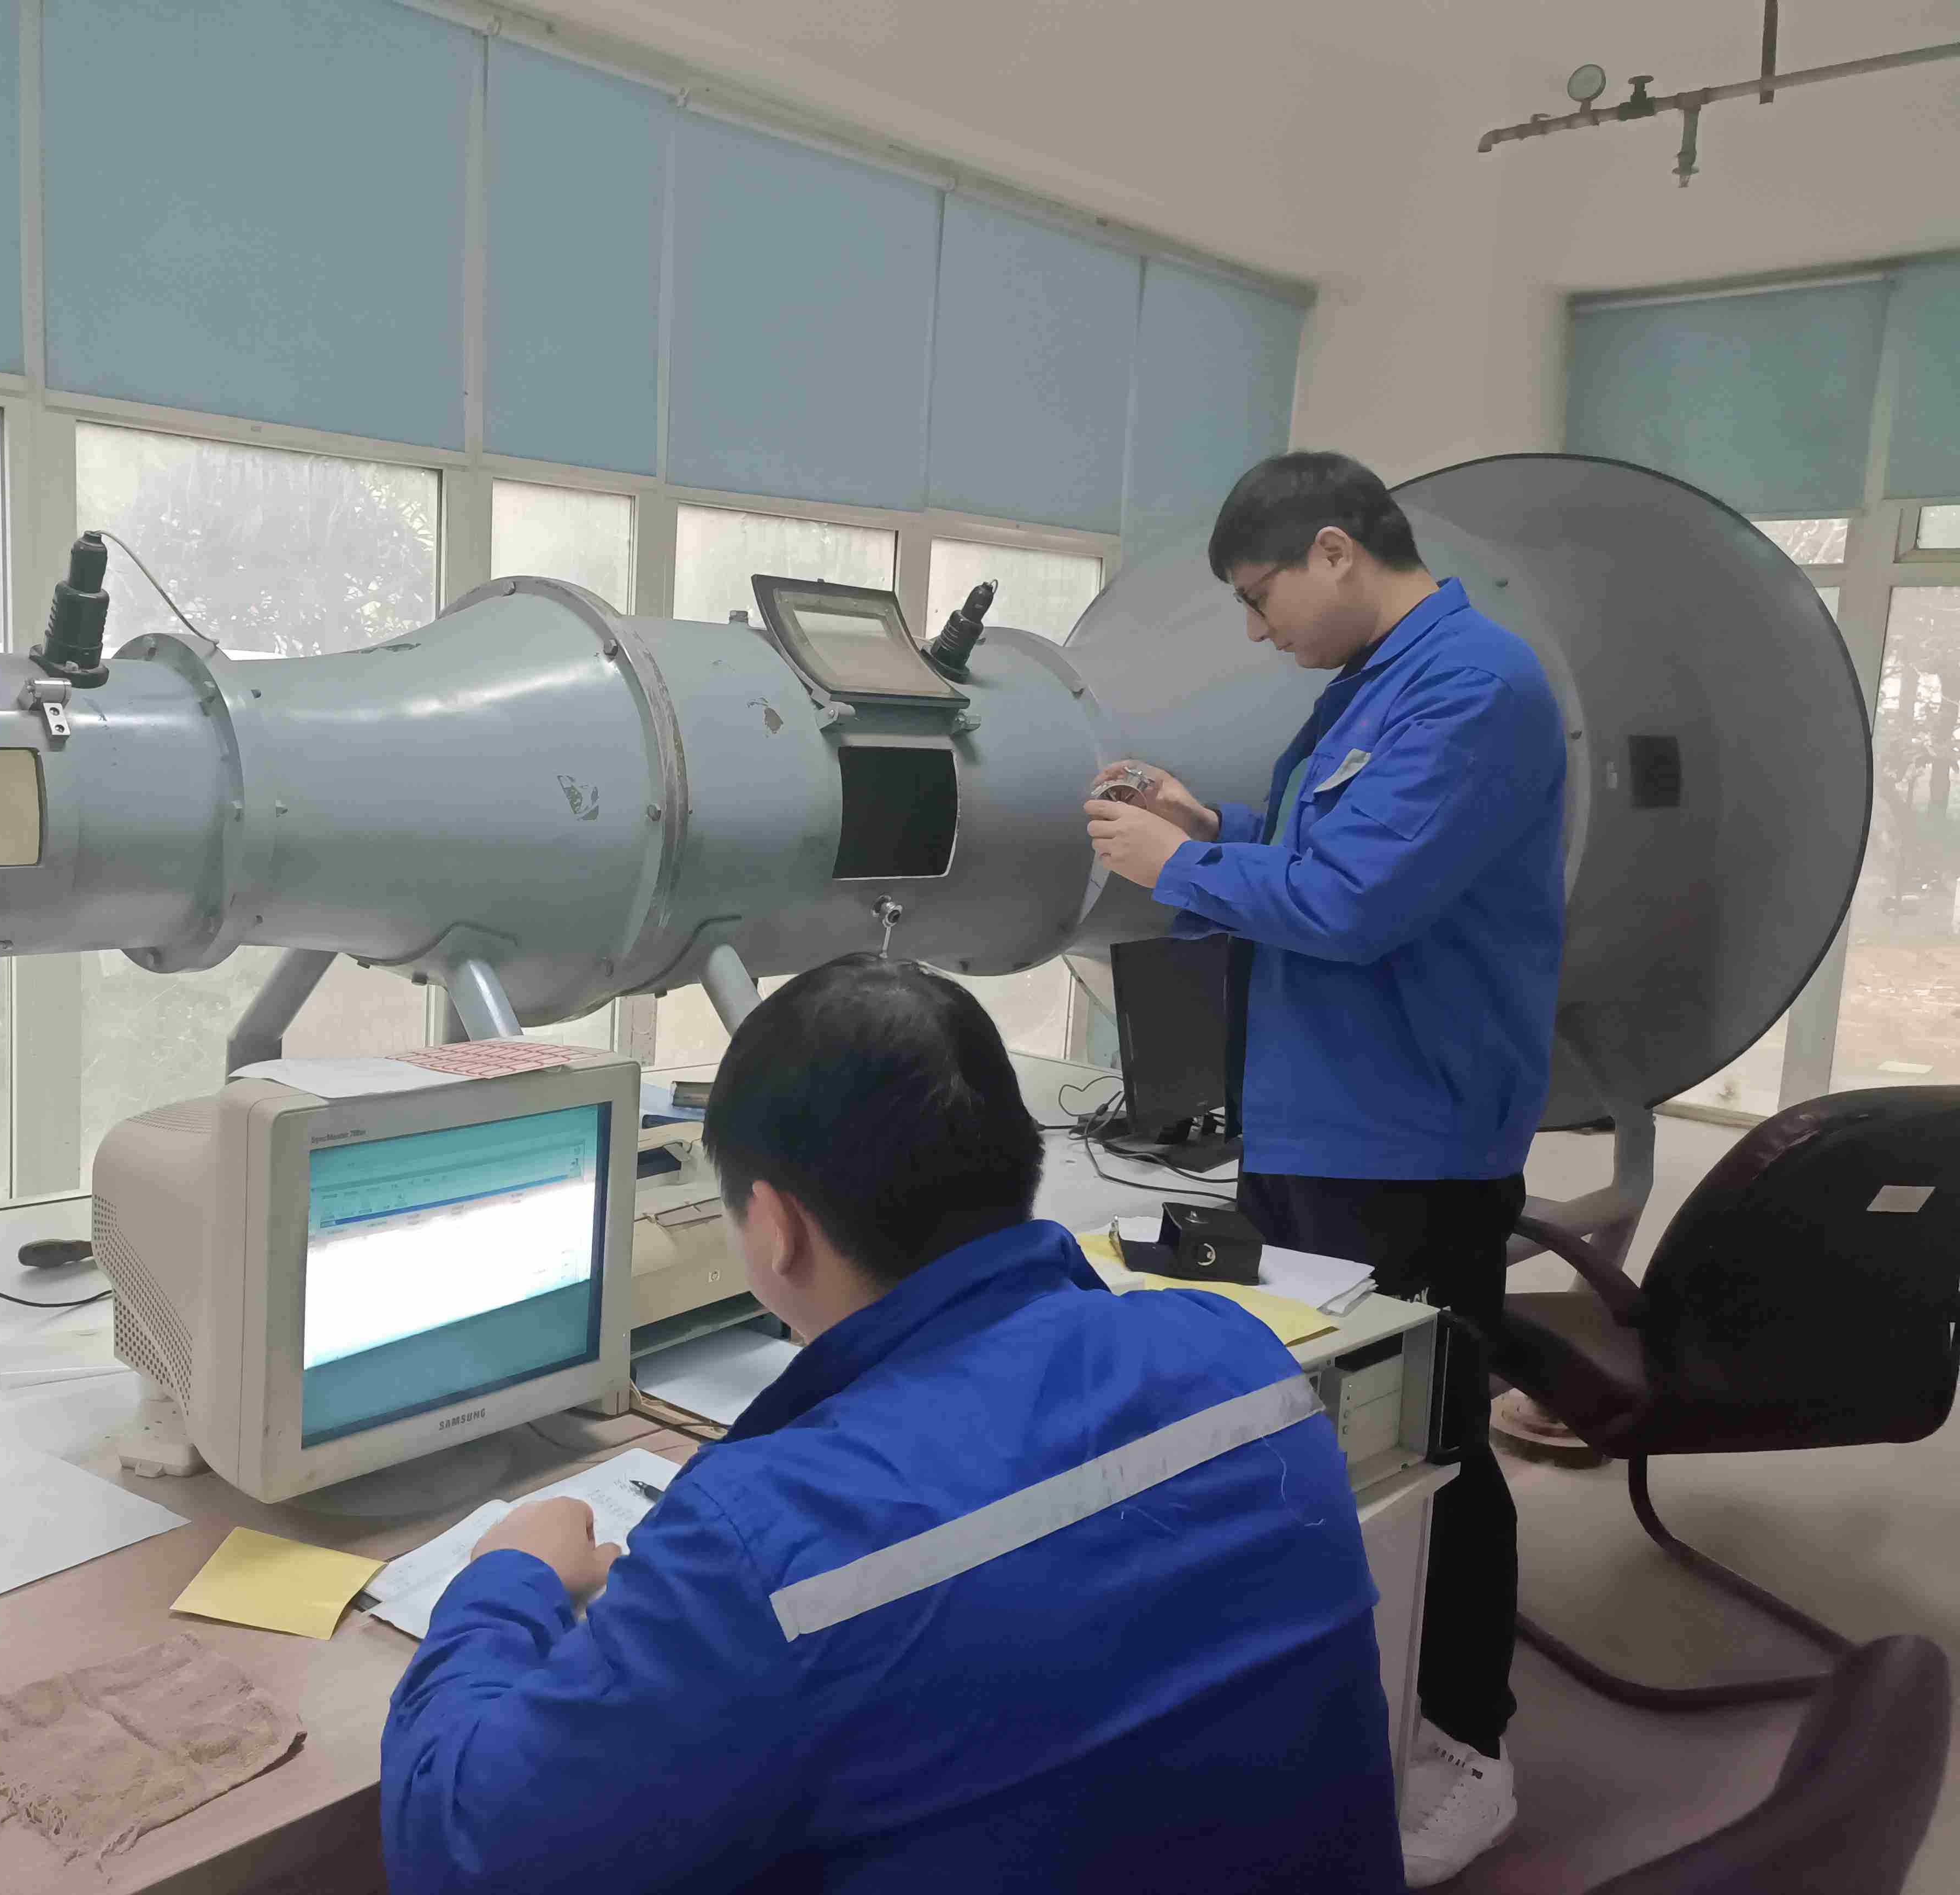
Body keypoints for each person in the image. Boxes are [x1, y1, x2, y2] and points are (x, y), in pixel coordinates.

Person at [383, 953, 1400, 1894]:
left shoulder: (765, 1542)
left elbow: (463, 1848)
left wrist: (508, 1577)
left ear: (775, 1227)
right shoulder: (1236, 1356)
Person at [1082, 450, 1565, 1887]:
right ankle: (1334, 1697)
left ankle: (1466, 1744)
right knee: (1317, 1435)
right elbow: (1325, 852)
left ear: (1338, 553)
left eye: (1260, 596)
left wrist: (1173, 869)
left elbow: (1354, 902)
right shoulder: (1371, 687)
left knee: (1435, 1447)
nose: (1256, 628)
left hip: (1407, 1149)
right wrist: (1212, 828)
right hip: (1315, 1127)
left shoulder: (1476, 688)